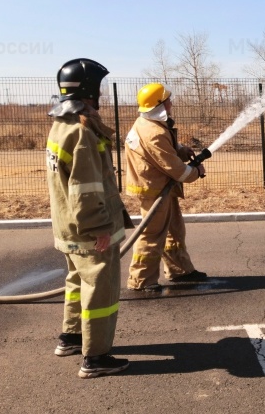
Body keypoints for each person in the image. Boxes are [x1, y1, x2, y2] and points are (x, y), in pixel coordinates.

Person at [46, 58, 132, 379]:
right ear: (90, 92)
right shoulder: (82, 132)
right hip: (88, 229)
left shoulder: (60, 126)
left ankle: (70, 337)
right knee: (101, 287)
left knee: (75, 282)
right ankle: (95, 357)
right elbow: (85, 188)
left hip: (67, 227)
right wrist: (99, 228)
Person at [124, 82, 207, 292]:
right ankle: (141, 280)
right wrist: (196, 172)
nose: (171, 102)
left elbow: (163, 149)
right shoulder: (153, 132)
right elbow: (176, 169)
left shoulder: (149, 123)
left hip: (161, 187)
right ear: (159, 104)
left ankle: (180, 270)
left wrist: (180, 149)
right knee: (152, 235)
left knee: (174, 230)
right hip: (153, 189)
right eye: (167, 99)